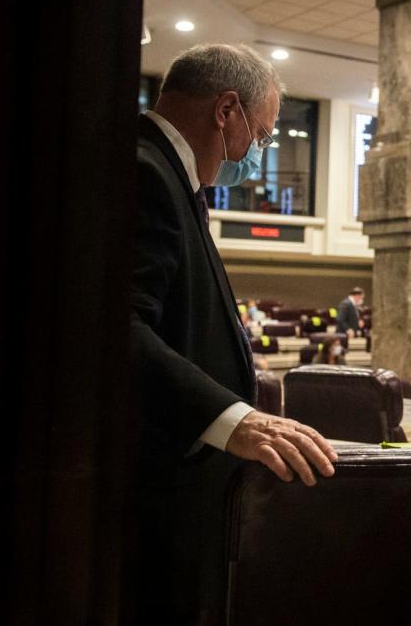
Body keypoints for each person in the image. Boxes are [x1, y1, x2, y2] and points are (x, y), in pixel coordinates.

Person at [130, 43, 338, 623]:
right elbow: (118, 329)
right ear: (227, 111)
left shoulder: (171, 176)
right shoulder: (144, 171)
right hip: (150, 494)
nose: (256, 152)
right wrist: (234, 419)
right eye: (263, 134)